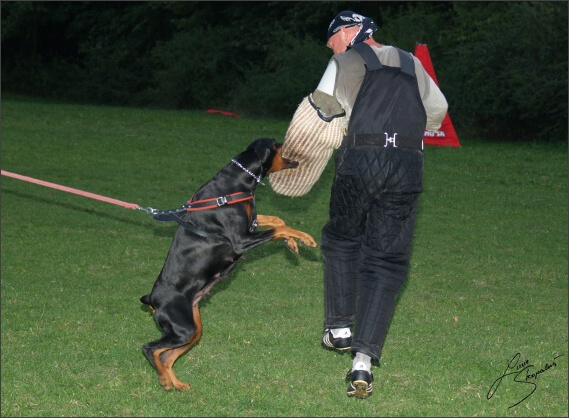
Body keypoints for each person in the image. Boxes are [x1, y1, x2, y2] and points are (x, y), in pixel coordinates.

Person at [276, 11, 448, 399]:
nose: (329, 45)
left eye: (332, 37)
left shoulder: (345, 61)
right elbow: (438, 111)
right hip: (407, 165)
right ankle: (363, 361)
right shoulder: (412, 62)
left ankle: (338, 328)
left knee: (341, 238)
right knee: (386, 260)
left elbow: (322, 109)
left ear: (351, 31)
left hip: (361, 160)